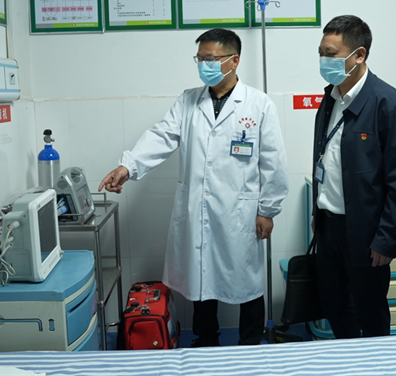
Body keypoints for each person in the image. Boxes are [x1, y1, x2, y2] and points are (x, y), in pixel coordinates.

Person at [99, 28, 288, 346]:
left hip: (241, 212)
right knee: (201, 277)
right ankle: (206, 341)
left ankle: (250, 344)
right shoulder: (188, 100)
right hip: (198, 209)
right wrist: (127, 166)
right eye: (200, 59)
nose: (204, 65)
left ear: (234, 61)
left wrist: (267, 210)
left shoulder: (258, 104)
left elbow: (274, 161)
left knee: (248, 282)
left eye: (210, 59)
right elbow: (162, 136)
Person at [311, 15, 396, 338]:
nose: (323, 61)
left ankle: (377, 362)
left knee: (370, 313)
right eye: (321, 53)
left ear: (359, 55)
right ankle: (348, 359)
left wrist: (386, 239)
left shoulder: (387, 104)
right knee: (335, 307)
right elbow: (327, 159)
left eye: (331, 54)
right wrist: (318, 213)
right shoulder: (331, 97)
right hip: (330, 227)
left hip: (367, 231)